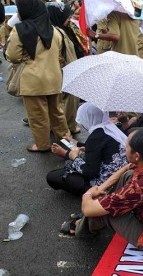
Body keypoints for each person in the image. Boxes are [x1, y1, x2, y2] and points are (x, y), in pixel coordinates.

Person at [72, 127, 143, 263]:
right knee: (127, 175)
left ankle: (82, 230)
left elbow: (87, 210)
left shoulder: (138, 186)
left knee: (106, 212)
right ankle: (99, 210)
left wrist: (88, 193)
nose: (124, 149)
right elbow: (126, 169)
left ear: (136, 155)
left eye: (126, 146)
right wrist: (101, 188)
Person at [6, 0, 69, 152]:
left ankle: (42, 145)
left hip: (33, 81)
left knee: (37, 116)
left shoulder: (19, 30)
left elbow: (13, 56)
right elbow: (60, 56)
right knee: (57, 112)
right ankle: (65, 140)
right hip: (54, 78)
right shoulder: (55, 31)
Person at [47, 103, 128, 196]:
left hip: (107, 184)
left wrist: (74, 157)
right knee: (81, 158)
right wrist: (76, 143)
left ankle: (93, 192)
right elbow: (100, 148)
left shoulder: (96, 136)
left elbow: (90, 172)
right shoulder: (112, 128)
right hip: (122, 177)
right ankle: (67, 155)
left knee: (53, 176)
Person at [46, 2, 83, 135]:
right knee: (65, 100)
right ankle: (65, 127)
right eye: (67, 16)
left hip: (70, 69)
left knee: (69, 100)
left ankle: (65, 125)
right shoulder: (55, 32)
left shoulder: (62, 29)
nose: (69, 18)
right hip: (64, 71)